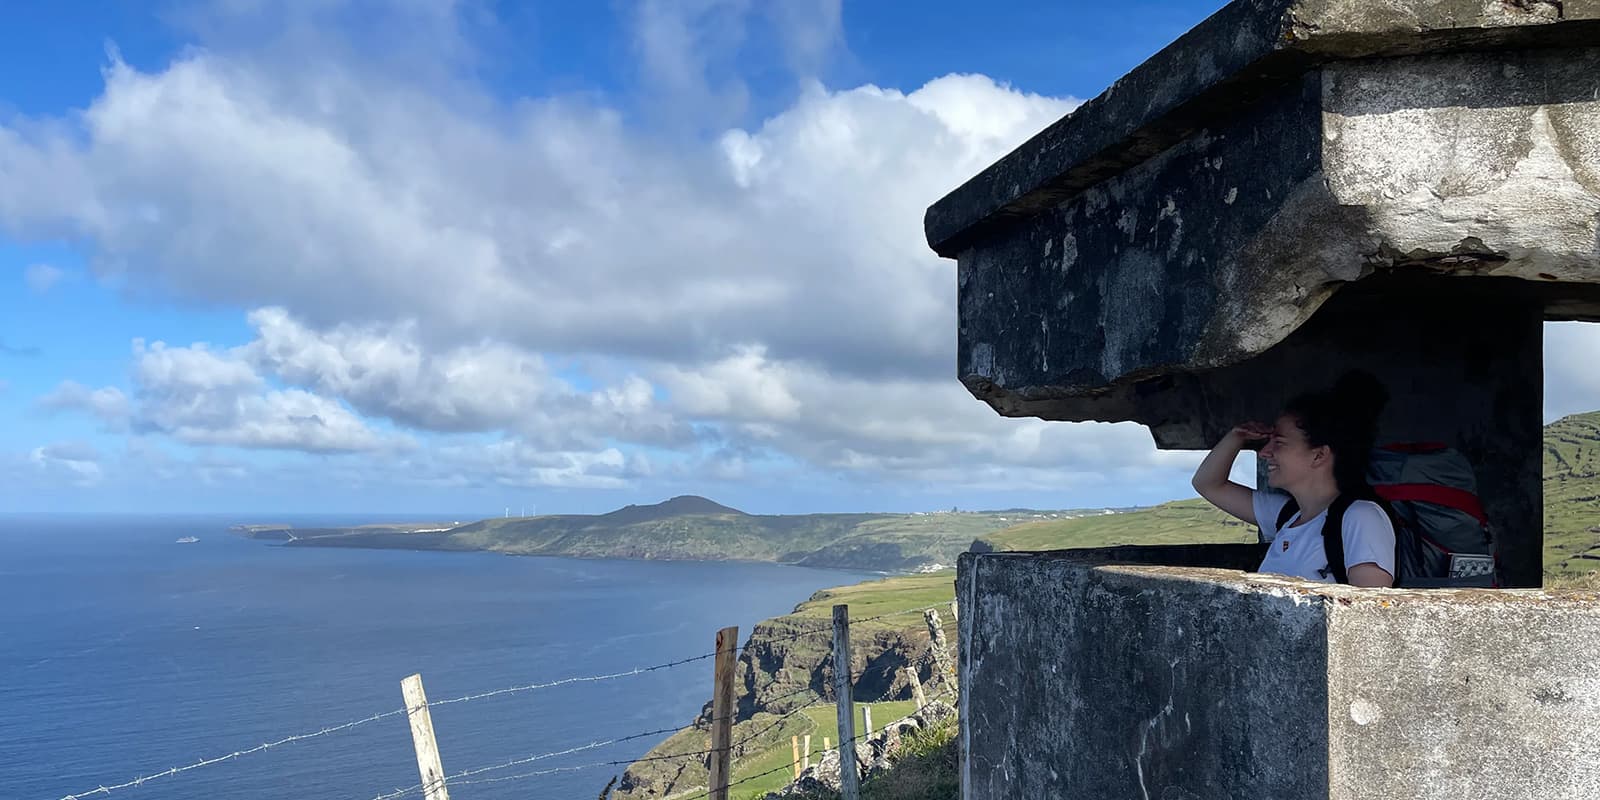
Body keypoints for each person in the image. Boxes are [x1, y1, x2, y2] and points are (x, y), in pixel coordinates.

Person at [1191, 371, 1397, 587]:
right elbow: (1207, 484)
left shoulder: (1361, 516)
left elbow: (1368, 610)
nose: (1264, 453)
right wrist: (1236, 436)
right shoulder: (1288, 515)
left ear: (1319, 455)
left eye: (1279, 443)